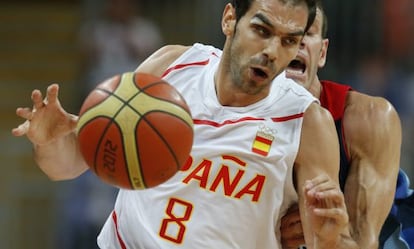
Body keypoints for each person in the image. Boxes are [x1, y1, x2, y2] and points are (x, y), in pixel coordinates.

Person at [12, 0, 351, 248]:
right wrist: (48, 141)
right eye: (261, 31)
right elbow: (67, 166)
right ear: (230, 19)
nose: (273, 51)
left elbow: (327, 238)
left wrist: (331, 237)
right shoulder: (173, 66)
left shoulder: (309, 122)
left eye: (289, 40)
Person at [280, 2, 408, 248]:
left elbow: (364, 242)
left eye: (307, 32)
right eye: (286, 32)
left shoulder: (367, 118)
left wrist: (328, 237)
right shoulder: (233, 116)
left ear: (323, 53)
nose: (297, 40)